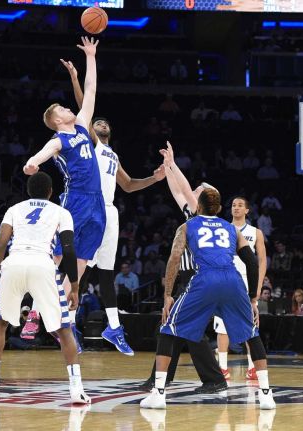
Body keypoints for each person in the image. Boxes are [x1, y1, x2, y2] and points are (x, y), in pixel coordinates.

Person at [60, 58, 165, 355]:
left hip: (110, 211)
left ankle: (113, 328)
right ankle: (63, 323)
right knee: (80, 269)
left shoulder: (112, 154)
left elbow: (129, 185)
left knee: (105, 272)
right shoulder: (91, 145)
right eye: (96, 122)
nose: (100, 122)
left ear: (110, 131)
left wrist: (155, 179)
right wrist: (75, 78)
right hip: (91, 208)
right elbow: (84, 106)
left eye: (104, 123)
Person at [140, 188, 275, 410]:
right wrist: (253, 298)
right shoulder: (231, 228)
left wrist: (167, 296)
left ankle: (159, 393)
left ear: (198, 207)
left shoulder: (186, 226)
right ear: (220, 209)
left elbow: (174, 259)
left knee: (168, 328)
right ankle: (266, 394)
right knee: (252, 334)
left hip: (205, 279)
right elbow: (251, 262)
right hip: (233, 280)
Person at [0, 172, 88, 404]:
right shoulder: (61, 212)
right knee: (64, 328)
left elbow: (0, 243)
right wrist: (75, 286)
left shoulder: (14, 209)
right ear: (51, 192)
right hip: (43, 264)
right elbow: (68, 250)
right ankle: (76, 389)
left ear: (28, 191)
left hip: (14, 263)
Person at [24, 37, 105, 340]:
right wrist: (31, 165)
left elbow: (92, 90)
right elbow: (38, 157)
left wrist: (91, 57)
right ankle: (33, 313)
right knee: (58, 261)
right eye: (62, 107)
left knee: (80, 265)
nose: (70, 107)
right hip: (75, 201)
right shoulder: (59, 140)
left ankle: (65, 322)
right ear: (57, 119)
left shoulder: (83, 126)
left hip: (96, 202)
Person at [139, 142, 227, 393]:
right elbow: (178, 192)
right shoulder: (192, 213)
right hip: (190, 279)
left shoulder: (202, 216)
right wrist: (168, 169)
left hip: (197, 278)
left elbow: (185, 189)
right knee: (176, 329)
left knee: (182, 328)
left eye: (201, 189)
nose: (196, 189)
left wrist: (173, 163)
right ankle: (165, 378)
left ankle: (212, 379)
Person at [213, 196, 267, 381]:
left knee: (249, 325)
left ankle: (252, 367)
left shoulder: (255, 232)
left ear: (247, 210)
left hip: (246, 281)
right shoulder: (222, 229)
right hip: (225, 280)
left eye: (240, 205)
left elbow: (261, 261)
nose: (236, 208)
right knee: (221, 326)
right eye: (233, 205)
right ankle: (222, 367)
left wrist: (258, 286)